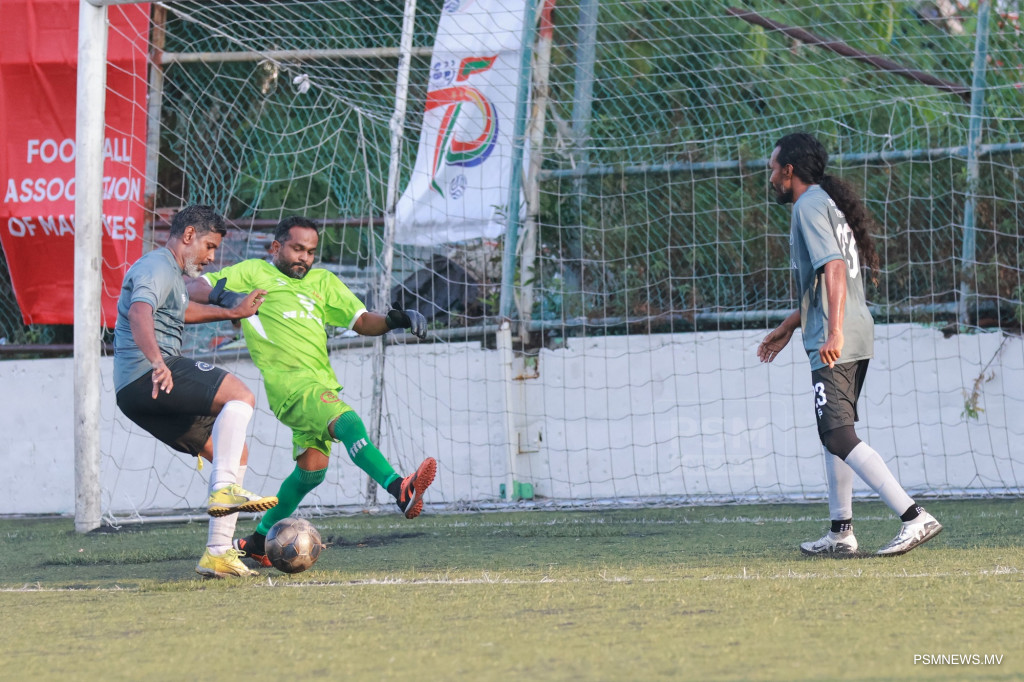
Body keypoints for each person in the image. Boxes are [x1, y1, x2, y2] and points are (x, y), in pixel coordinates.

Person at [190, 216, 437, 567]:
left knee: (312, 471)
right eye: (297, 249)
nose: (304, 258)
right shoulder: (254, 272)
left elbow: (361, 321)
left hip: (320, 383)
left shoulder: (323, 281)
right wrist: (226, 295)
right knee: (348, 421)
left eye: (310, 252)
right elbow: (195, 287)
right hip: (289, 385)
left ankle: (258, 541)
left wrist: (394, 320)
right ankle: (400, 487)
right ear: (276, 247)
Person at [757, 132, 942, 557]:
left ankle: (914, 517)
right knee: (835, 433)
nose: (770, 178)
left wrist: (833, 331)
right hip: (855, 332)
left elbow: (835, 268)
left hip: (836, 338)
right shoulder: (828, 202)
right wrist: (790, 325)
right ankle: (841, 532)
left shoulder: (807, 205)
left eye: (773, 169)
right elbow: (825, 282)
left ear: (789, 171)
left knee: (838, 434)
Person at [114, 204, 279, 579]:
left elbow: (180, 313)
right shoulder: (157, 265)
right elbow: (140, 312)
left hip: (135, 394)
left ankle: (218, 553)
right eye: (209, 246)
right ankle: (224, 492)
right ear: (189, 235)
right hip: (150, 373)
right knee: (241, 395)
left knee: (232, 453)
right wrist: (157, 361)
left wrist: (232, 313)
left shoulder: (170, 274)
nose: (211, 257)